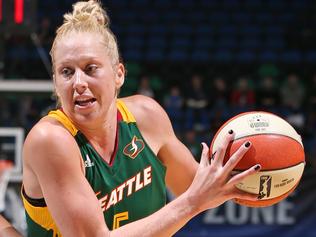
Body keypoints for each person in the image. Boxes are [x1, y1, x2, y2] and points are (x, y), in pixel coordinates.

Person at [21, 1, 261, 236]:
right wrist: (191, 203)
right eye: (67, 72)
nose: (79, 82)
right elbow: (192, 199)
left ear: (119, 74)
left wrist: (252, 172)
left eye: (91, 68)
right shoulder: (50, 140)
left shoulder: (146, 117)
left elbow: (195, 188)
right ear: (55, 82)